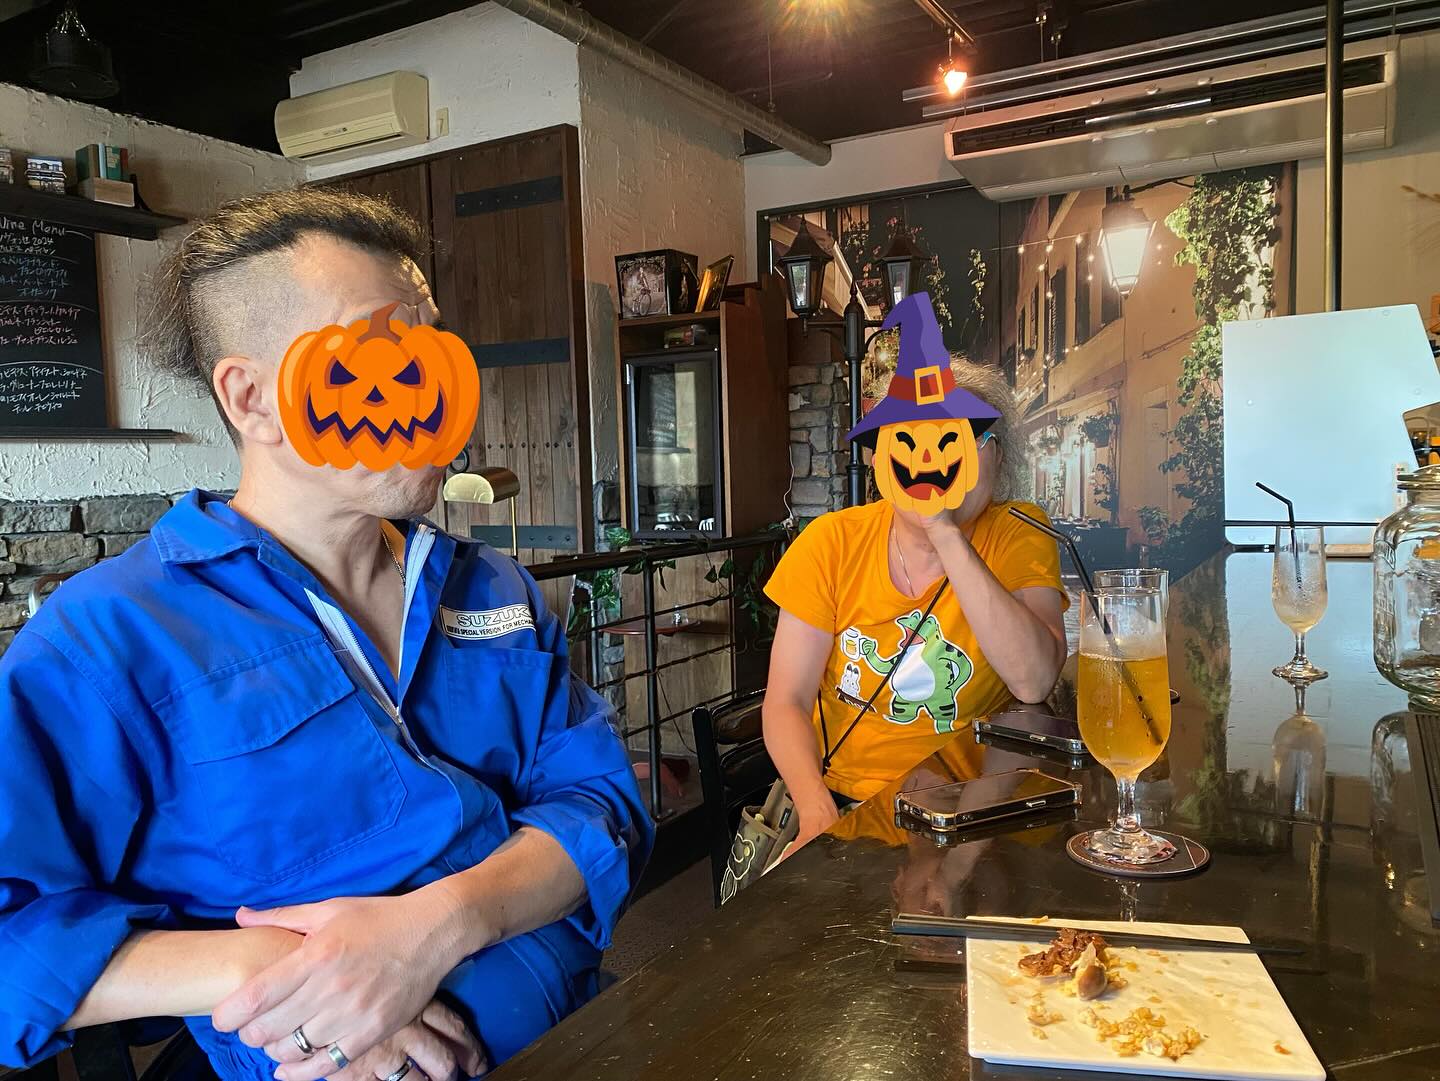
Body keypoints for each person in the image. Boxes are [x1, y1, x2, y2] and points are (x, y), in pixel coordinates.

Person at [0, 188, 652, 1081]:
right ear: (252, 398)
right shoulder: (107, 640)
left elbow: (603, 801)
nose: (430, 391)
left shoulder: (491, 586)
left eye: (434, 350)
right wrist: (285, 974)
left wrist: (431, 929)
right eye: (380, 357)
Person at [762, 297, 1068, 852]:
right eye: (913, 438)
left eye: (965, 439)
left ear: (998, 458)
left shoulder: (1018, 532)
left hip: (969, 814)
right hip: (846, 803)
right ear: (883, 457)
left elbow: (1034, 680)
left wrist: (942, 529)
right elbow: (787, 700)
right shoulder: (830, 542)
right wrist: (816, 810)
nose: (936, 459)